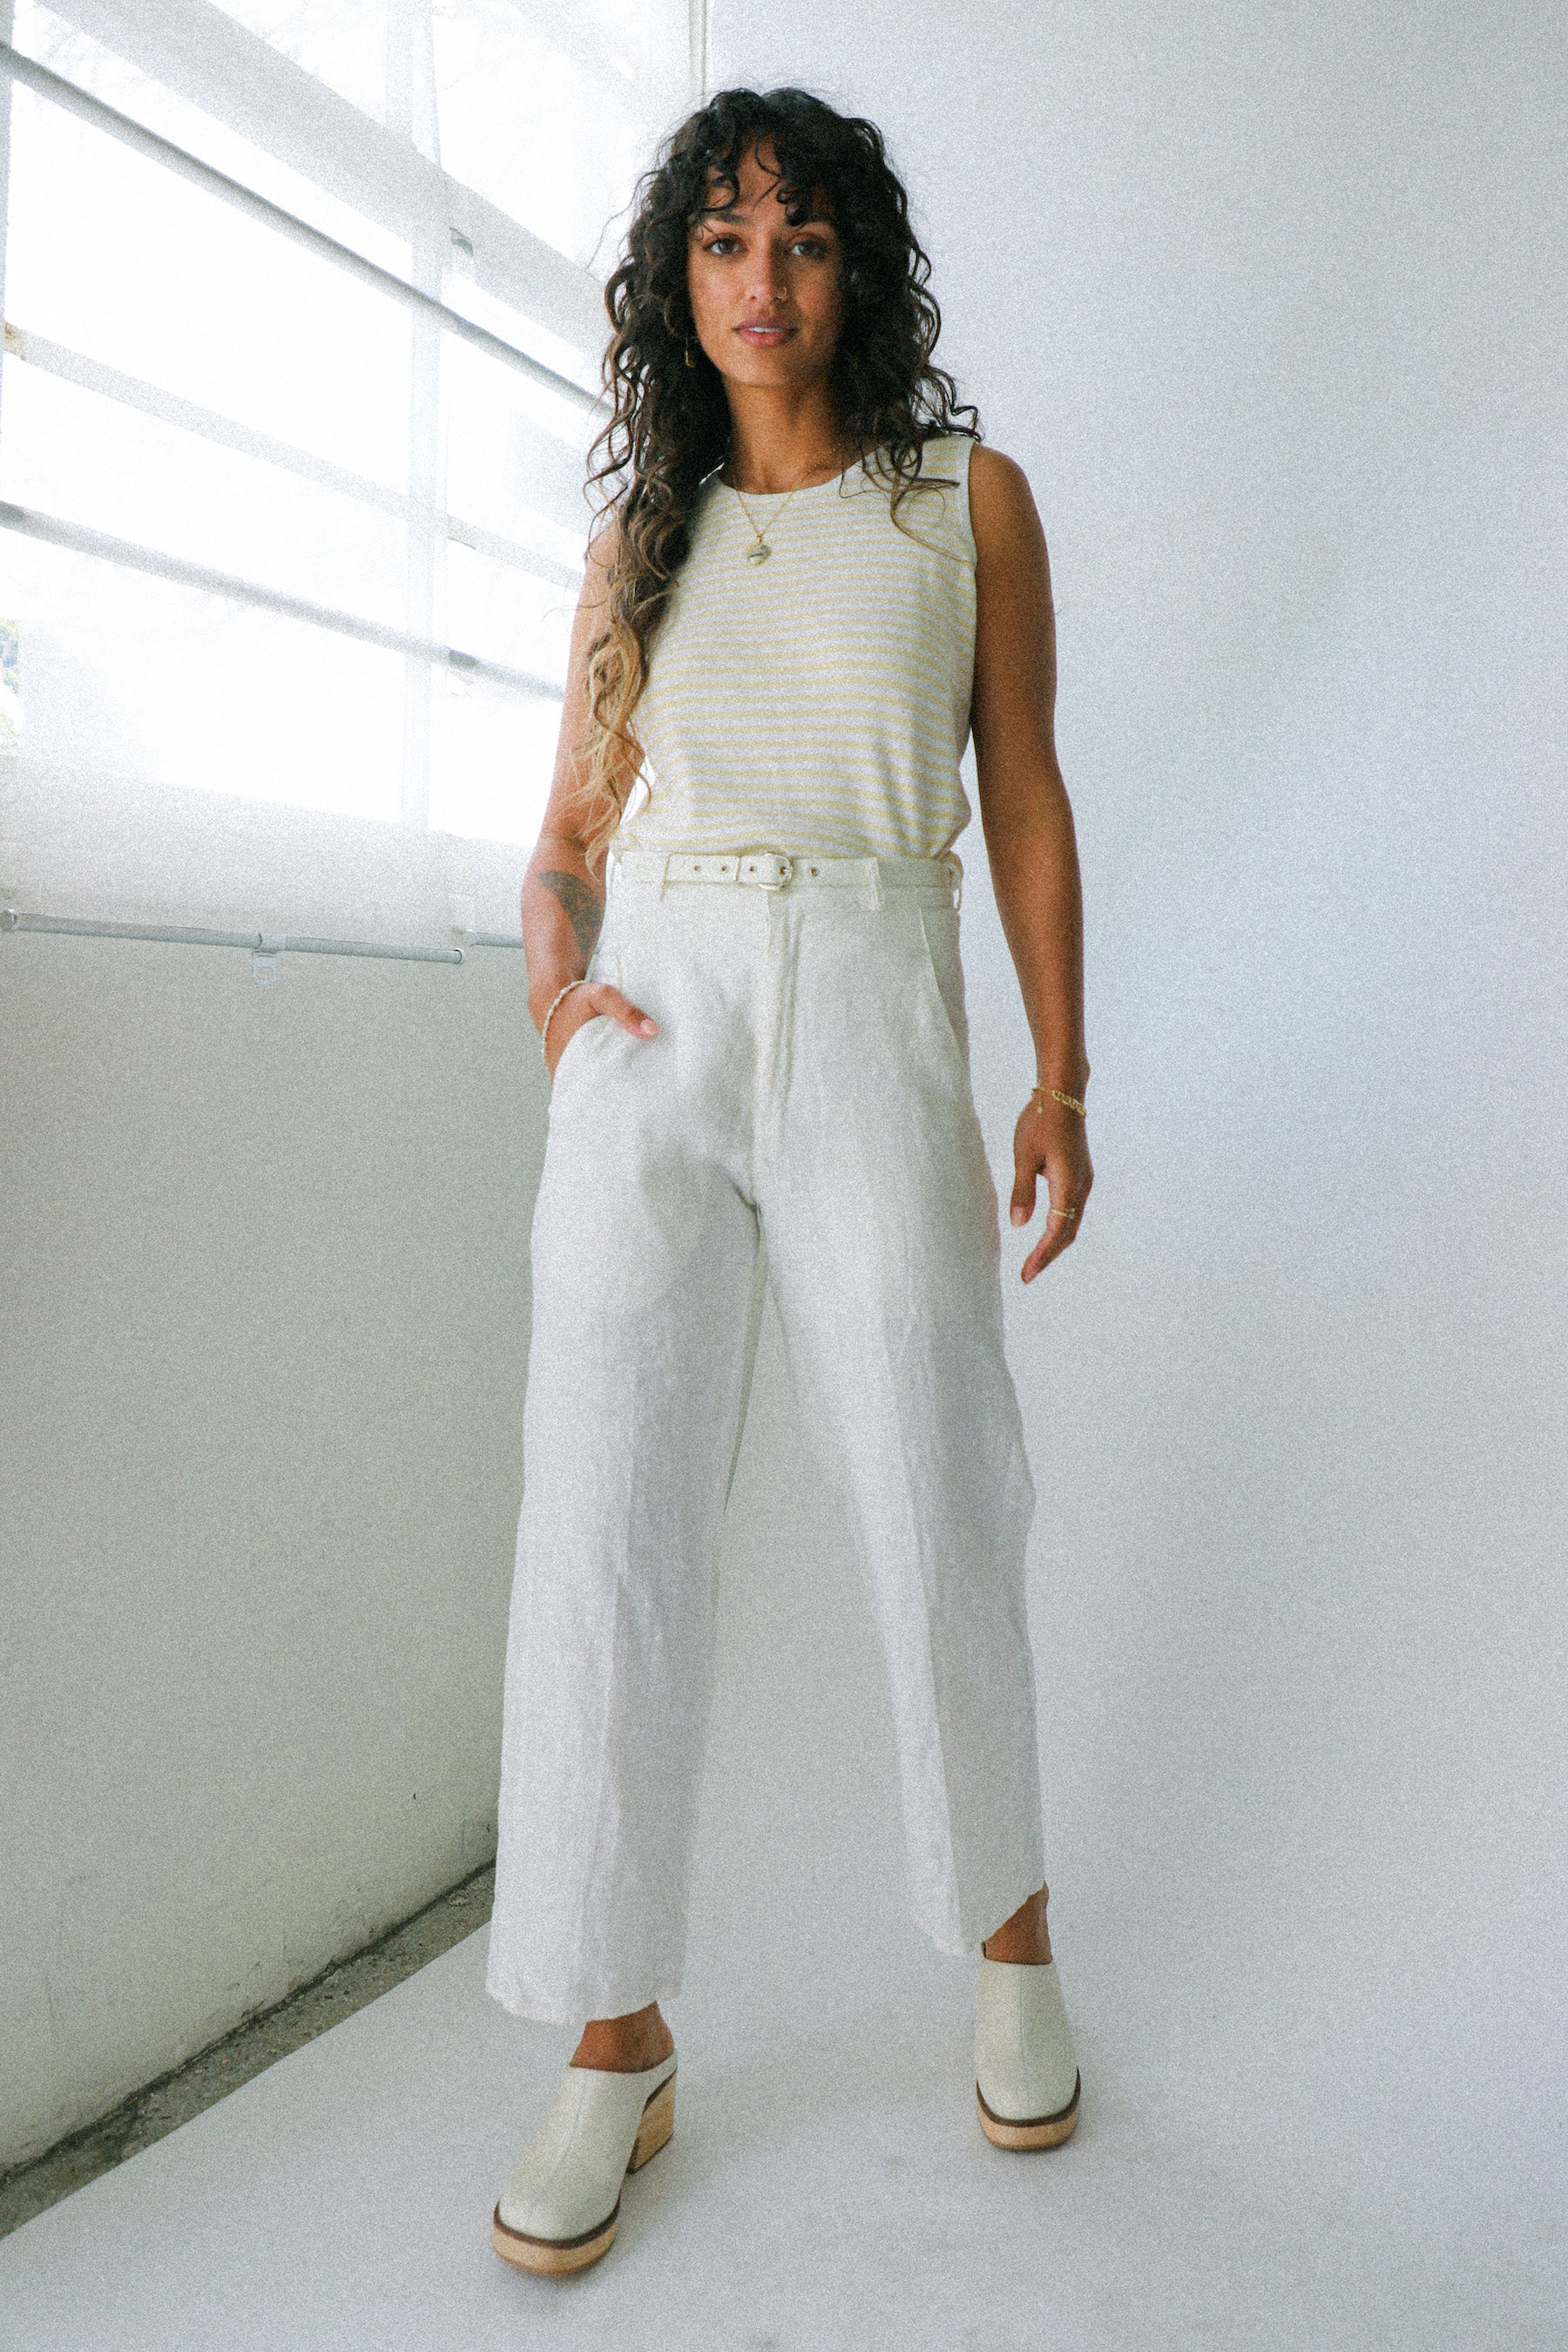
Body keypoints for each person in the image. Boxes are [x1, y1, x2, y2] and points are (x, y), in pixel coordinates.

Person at [484, 84, 1093, 2277]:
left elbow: (1023, 793)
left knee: (940, 1470)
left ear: (859, 270)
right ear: (682, 277)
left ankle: (1011, 1943)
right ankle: (614, 2037)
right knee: (605, 1517)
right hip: (653, 1028)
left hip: (865, 990)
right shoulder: (637, 543)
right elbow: (564, 842)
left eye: (807, 239)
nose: (765, 280)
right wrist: (563, 1005)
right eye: (728, 240)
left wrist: (1063, 1074)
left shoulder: (960, 504)